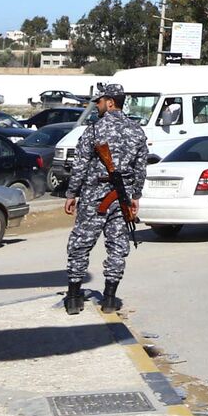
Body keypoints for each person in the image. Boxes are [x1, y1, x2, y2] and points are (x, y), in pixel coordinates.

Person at [62, 83, 148, 315]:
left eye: (99, 102)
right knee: (118, 247)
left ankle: (73, 297)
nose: (97, 106)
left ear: (110, 102)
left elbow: (80, 165)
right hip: (122, 197)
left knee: (80, 243)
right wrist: (136, 196)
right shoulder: (137, 131)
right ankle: (109, 298)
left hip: (94, 194)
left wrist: (72, 193)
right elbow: (140, 169)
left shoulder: (94, 129)